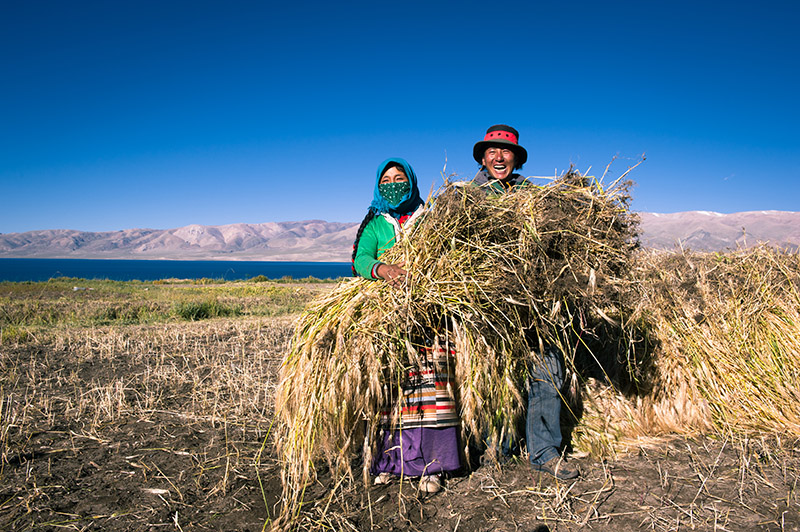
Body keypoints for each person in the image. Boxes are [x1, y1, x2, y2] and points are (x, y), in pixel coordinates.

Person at [471, 125, 579, 480]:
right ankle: (495, 449)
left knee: (547, 372)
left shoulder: (533, 195)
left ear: (515, 159)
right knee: (496, 376)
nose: (499, 157)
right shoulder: (467, 198)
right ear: (483, 158)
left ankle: (544, 451)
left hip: (538, 302)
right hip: (493, 304)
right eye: (492, 152)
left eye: (506, 152)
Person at [352, 157, 462, 493]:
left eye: (400, 178)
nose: (393, 183)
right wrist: (383, 270)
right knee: (391, 388)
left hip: (430, 315)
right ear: (378, 185)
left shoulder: (428, 218)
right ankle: (390, 462)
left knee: (433, 387)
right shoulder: (374, 223)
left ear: (412, 181)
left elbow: (448, 253)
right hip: (387, 315)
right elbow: (361, 259)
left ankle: (433, 466)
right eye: (387, 180)